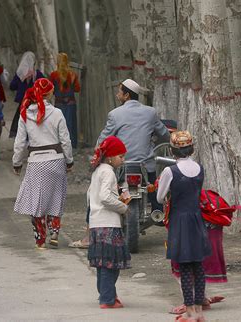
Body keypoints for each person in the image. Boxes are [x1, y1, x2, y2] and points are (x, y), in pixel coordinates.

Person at [69, 78, 170, 249]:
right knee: (156, 196)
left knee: (94, 193)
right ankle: (160, 215)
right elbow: (165, 135)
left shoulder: (115, 114)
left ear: (126, 95)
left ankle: (88, 237)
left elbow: (102, 141)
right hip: (145, 166)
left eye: (119, 92)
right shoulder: (150, 112)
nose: (117, 95)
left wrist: (98, 154)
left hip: (121, 166)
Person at [156, 131, 211, 322]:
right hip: (197, 218)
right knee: (198, 265)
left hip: (179, 220)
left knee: (185, 266)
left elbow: (160, 197)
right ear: (192, 148)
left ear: (172, 151)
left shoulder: (170, 172)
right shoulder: (200, 168)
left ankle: (189, 312)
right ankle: (199, 311)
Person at [12, 78, 73, 249]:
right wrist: (69, 161)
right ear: (50, 93)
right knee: (55, 198)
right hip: (56, 161)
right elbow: (66, 140)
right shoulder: (57, 113)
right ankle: (54, 231)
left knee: (37, 202)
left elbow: (20, 143)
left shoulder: (25, 114)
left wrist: (17, 163)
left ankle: (40, 240)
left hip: (36, 163)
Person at [87, 135, 131, 309]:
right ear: (111, 157)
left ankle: (107, 295)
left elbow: (91, 196)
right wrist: (123, 207)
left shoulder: (98, 171)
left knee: (102, 263)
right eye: (121, 156)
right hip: (108, 224)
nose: (123, 160)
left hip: (96, 222)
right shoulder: (108, 172)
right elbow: (105, 197)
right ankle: (107, 298)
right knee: (111, 264)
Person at [9, 51, 44, 138]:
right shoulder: (37, 74)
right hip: (34, 103)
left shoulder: (20, 74)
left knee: (22, 122)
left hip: (23, 103)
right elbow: (45, 85)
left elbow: (12, 86)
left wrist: (21, 80)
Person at [50, 53, 81, 148]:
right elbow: (77, 89)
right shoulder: (73, 75)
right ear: (67, 62)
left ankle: (61, 145)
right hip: (71, 103)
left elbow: (51, 89)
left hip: (59, 103)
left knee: (59, 125)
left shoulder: (53, 75)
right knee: (71, 124)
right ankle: (73, 145)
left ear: (58, 62)